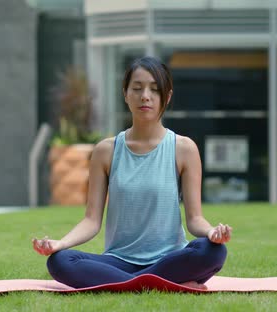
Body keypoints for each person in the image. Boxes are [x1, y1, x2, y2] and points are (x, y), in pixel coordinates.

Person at [32, 56, 232, 290]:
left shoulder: (184, 149)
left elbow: (195, 219)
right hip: (118, 262)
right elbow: (91, 220)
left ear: (167, 97)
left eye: (154, 90)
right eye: (137, 88)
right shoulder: (105, 151)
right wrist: (60, 243)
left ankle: (136, 284)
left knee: (213, 251)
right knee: (61, 261)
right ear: (125, 94)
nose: (145, 96)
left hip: (169, 259)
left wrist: (212, 232)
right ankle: (158, 283)